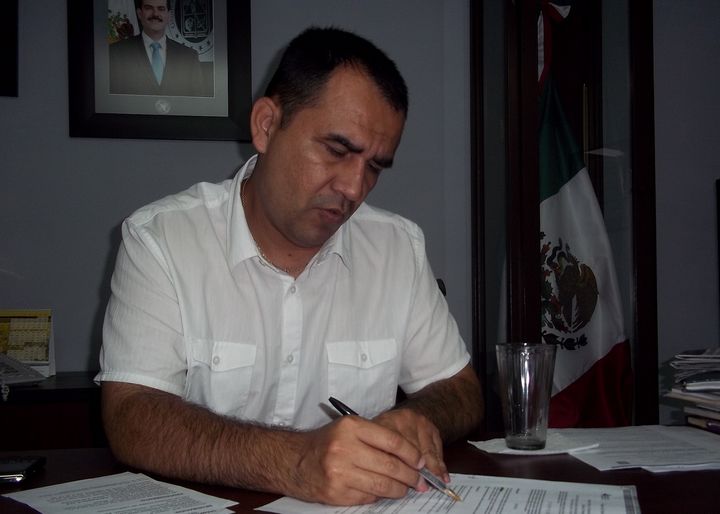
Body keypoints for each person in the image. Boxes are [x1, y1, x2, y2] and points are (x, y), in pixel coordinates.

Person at [97, 27, 483, 506]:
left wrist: (419, 418)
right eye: (337, 151)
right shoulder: (162, 239)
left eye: (375, 167)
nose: (354, 188)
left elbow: (460, 390)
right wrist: (297, 461)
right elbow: (132, 416)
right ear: (265, 125)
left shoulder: (397, 248)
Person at [109, 0, 209, 96]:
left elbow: (198, 102)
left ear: (168, 15)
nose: (155, 14)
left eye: (161, 9)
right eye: (149, 8)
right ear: (139, 13)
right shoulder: (116, 53)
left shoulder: (189, 56)